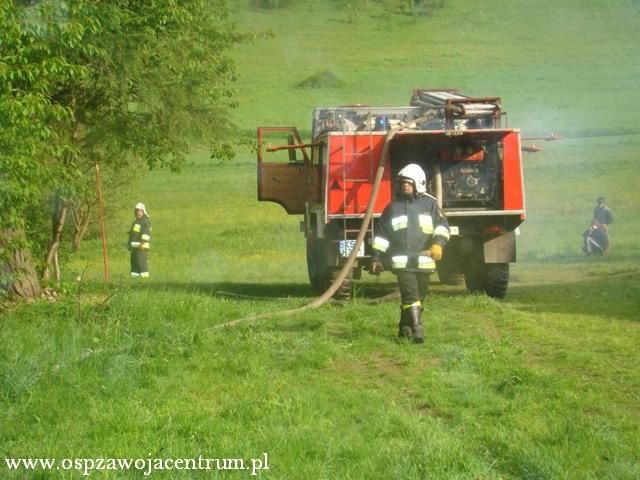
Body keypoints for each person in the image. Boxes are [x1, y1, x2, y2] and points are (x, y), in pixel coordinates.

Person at [371, 164, 450, 343]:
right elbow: (382, 235)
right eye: (403, 183)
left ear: (418, 183)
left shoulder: (430, 204)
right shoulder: (393, 207)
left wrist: (438, 244)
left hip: (425, 261)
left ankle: (404, 327)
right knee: (410, 295)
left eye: (408, 183)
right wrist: (376, 257)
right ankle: (417, 329)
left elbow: (442, 226)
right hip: (402, 262)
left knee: (419, 297)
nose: (405, 186)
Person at [128, 202, 152, 278]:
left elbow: (146, 234)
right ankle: (135, 280)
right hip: (134, 248)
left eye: (140, 211)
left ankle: (145, 280)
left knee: (141, 264)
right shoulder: (136, 222)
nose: (138, 213)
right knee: (134, 264)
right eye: (137, 211)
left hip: (141, 248)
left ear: (143, 212)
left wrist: (142, 244)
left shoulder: (145, 221)